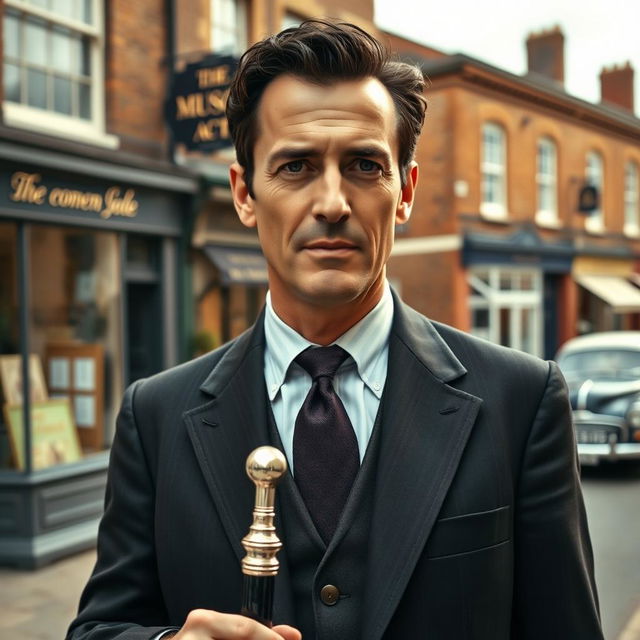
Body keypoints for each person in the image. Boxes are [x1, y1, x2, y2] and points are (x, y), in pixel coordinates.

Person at [68, 19, 604, 640]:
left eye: (363, 165)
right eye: (295, 166)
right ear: (245, 194)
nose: (331, 202)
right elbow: (99, 627)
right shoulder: (155, 415)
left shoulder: (521, 400)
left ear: (405, 190)